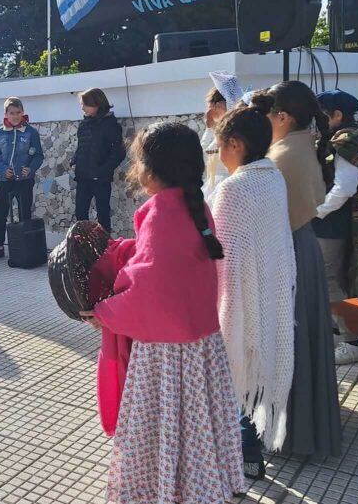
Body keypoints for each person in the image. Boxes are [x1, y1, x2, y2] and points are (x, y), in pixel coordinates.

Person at [83, 122, 244, 502]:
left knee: (161, 425)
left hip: (166, 355)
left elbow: (148, 287)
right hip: (202, 345)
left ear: (151, 170)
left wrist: (104, 311)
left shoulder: (160, 214)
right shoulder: (195, 206)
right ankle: (198, 489)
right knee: (196, 427)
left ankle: (160, 491)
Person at [212, 104, 297, 480]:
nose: (219, 156)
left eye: (220, 147)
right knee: (255, 369)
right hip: (271, 291)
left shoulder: (233, 189)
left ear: (235, 143)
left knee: (235, 374)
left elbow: (219, 257)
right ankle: (250, 451)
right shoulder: (273, 177)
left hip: (239, 299)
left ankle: (240, 454)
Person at [260, 81, 342, 461]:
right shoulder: (299, 144)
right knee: (300, 338)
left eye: (268, 113)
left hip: (287, 250)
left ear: (282, 117)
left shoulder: (281, 155)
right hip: (300, 246)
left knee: (287, 340)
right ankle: (303, 424)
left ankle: (291, 431)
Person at [312, 89, 358, 366]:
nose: (317, 122)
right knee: (333, 278)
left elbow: (345, 187)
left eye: (321, 116)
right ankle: (340, 333)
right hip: (334, 219)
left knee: (330, 280)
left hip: (334, 221)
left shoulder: (344, 142)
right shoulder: (344, 138)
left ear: (336, 115)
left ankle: (352, 341)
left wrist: (317, 210)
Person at [0, 97, 44, 261]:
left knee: (24, 215)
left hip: (24, 181)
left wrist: (30, 169)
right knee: (0, 215)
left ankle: (25, 249)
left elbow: (38, 155)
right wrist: (3, 169)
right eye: (12, 113)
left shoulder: (31, 132)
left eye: (18, 112)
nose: (15, 116)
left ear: (23, 112)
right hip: (6, 181)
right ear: (6, 114)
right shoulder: (0, 133)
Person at [71, 88, 125, 232]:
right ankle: (84, 248)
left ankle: (105, 249)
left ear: (97, 104)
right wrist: (74, 162)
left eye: (85, 104)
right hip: (83, 177)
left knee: (103, 215)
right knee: (80, 214)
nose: (82, 108)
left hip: (101, 179)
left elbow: (118, 153)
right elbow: (81, 147)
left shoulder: (110, 125)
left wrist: (102, 171)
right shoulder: (84, 124)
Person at [201, 87, 231, 206]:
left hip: (221, 185)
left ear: (219, 106)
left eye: (209, 107)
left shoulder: (226, 131)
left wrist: (209, 128)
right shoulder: (221, 128)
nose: (207, 112)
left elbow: (204, 155)